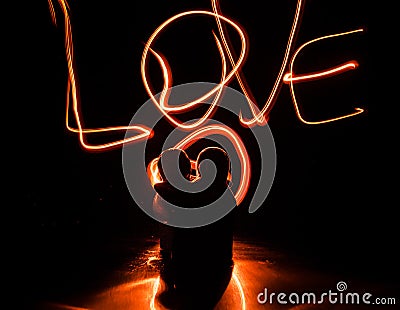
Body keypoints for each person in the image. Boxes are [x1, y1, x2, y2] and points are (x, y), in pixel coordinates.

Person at [152, 146, 237, 309]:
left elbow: (164, 190)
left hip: (195, 263)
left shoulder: (202, 192)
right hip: (217, 263)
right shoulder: (225, 193)